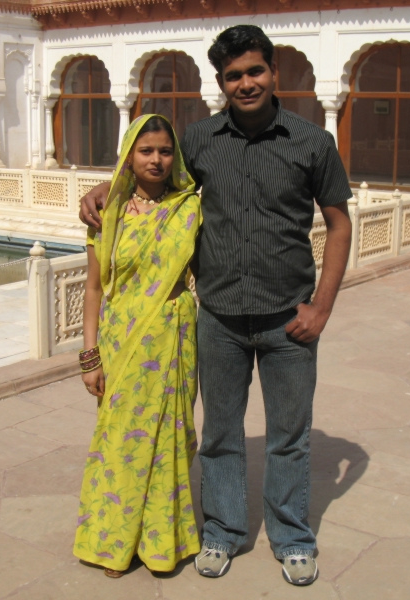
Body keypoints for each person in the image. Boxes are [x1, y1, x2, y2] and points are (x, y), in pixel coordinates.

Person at [79, 25, 352, 586]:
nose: (245, 83)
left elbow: (339, 225)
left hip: (288, 319)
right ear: (221, 82)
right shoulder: (200, 139)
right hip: (220, 319)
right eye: (233, 76)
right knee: (222, 433)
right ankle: (223, 531)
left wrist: (321, 307)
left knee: (289, 435)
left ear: (273, 72)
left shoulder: (312, 142)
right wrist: (104, 190)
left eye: (254, 71)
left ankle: (292, 536)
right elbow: (158, 176)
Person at [74, 114, 202, 578]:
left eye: (165, 151)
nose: (156, 159)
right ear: (129, 155)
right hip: (120, 341)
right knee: (121, 442)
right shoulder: (106, 215)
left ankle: (162, 541)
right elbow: (92, 289)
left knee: (168, 440)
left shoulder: (189, 207)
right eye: (146, 151)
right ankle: (116, 542)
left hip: (173, 337)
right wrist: (89, 357)